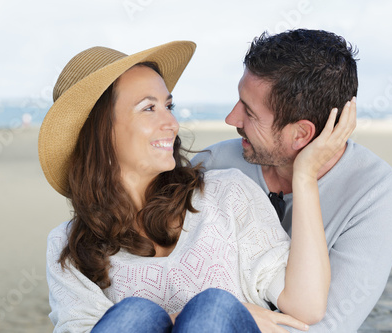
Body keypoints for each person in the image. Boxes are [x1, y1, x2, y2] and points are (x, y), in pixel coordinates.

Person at [39, 41, 355, 333]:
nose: (172, 124)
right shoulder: (67, 246)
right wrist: (175, 319)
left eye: (168, 106)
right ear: (101, 129)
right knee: (135, 315)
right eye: (149, 108)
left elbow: (307, 306)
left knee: (212, 308)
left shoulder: (226, 194)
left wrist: (305, 176)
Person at [192, 29, 392, 332]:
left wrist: (303, 176)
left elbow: (327, 326)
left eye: (250, 113)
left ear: (301, 134)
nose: (231, 119)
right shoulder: (213, 164)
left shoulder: (377, 194)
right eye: (238, 101)